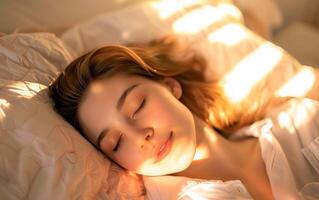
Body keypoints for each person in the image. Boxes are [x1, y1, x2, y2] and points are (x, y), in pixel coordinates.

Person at [49, 36, 318, 200]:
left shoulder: (300, 123)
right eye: (116, 143)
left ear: (170, 86)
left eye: (137, 105)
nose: (140, 136)